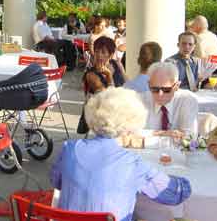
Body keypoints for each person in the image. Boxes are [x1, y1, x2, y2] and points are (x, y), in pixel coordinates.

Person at [51, 88, 192, 221]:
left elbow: (56, 181)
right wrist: (185, 180)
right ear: (131, 125)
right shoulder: (133, 163)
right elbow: (175, 194)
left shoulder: (70, 148)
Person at [77, 36, 127, 133]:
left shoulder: (116, 64)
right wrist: (109, 76)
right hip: (100, 111)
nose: (99, 55)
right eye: (96, 51)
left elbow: (127, 83)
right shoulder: (91, 74)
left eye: (103, 52)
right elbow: (106, 98)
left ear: (111, 54)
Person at [139, 62, 198, 137]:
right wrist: (163, 134)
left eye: (166, 90)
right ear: (148, 85)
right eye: (155, 89)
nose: (160, 94)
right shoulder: (140, 100)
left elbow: (189, 137)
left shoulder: (187, 99)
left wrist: (149, 135)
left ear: (176, 86)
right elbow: (130, 133)